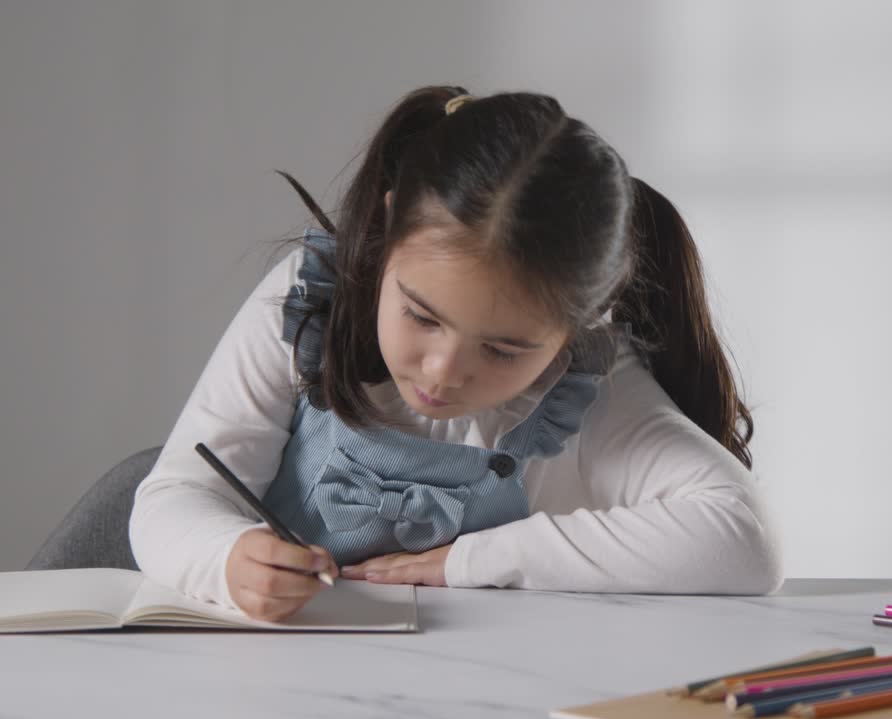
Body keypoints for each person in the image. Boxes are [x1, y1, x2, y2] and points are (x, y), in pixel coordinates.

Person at [128, 86, 782, 622]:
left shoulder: (588, 380)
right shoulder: (309, 306)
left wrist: (467, 562)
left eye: (502, 350)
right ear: (388, 227)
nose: (442, 371)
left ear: (584, 322)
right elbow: (177, 493)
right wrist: (227, 556)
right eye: (420, 315)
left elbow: (744, 540)